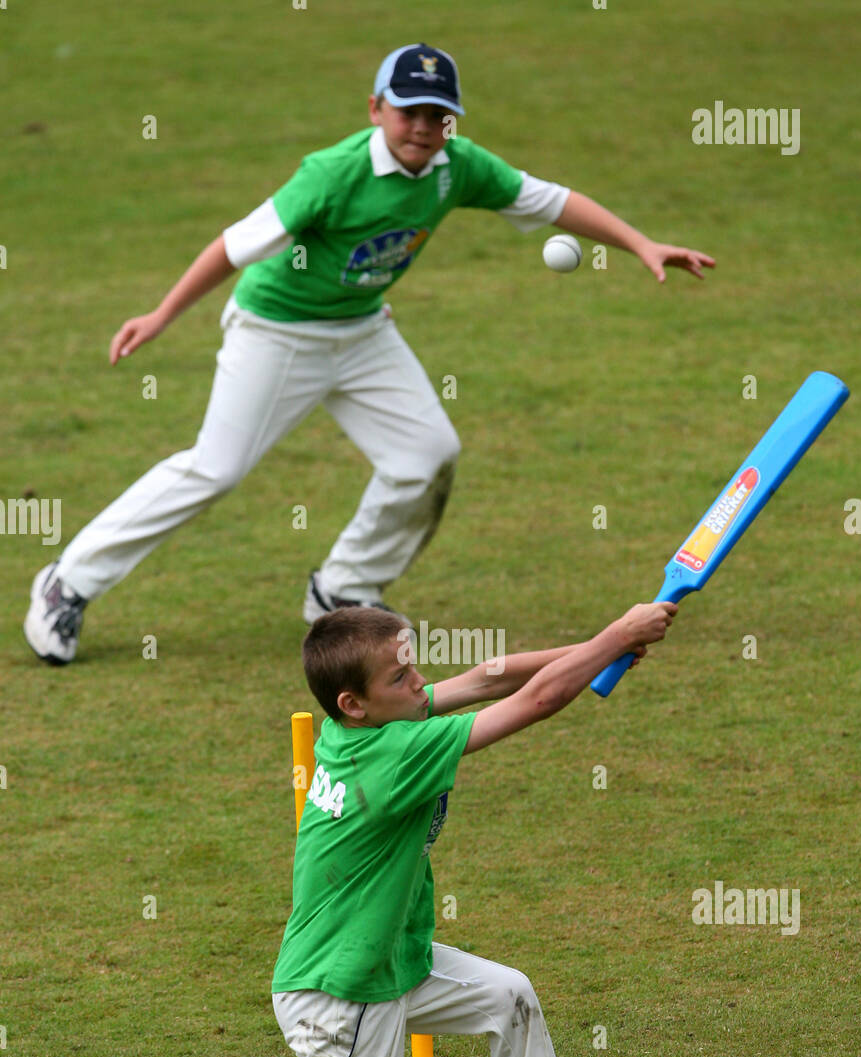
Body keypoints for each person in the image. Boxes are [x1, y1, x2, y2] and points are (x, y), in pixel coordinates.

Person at [25, 42, 713, 665]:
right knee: (216, 468)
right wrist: (162, 314)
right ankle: (67, 583)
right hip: (277, 332)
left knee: (427, 452)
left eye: (438, 114)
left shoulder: (458, 167)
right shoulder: (331, 174)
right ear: (377, 108)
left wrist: (642, 244)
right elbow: (233, 246)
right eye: (408, 110)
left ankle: (342, 588)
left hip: (362, 332)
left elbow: (553, 200)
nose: (422, 126)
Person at [105, 596, 677, 1057]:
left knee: (508, 999)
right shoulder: (394, 752)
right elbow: (534, 701)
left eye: (414, 666)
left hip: (390, 964)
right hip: (340, 993)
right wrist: (616, 634)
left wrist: (602, 647)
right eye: (401, 677)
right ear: (356, 702)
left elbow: (488, 676)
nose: (420, 684)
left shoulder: (358, 723)